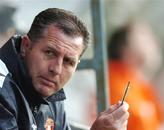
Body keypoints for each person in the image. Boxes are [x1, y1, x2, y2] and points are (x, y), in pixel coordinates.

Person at [0, 8, 129, 130]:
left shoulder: (51, 96)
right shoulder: (3, 89)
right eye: (49, 53)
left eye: (68, 61)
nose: (56, 69)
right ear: (25, 46)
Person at [108, 22, 164, 130]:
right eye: (146, 39)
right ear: (124, 49)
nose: (155, 43)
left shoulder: (139, 85)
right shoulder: (113, 82)